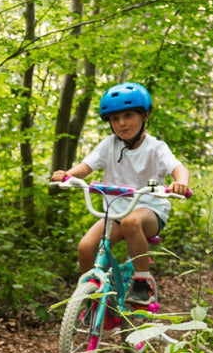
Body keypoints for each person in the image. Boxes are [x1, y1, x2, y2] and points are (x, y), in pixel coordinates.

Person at [50, 82, 190, 306]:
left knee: (131, 222)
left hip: (150, 211)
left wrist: (180, 183)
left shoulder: (156, 147)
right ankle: (96, 301)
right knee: (86, 247)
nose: (122, 123)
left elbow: (178, 168)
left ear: (144, 116)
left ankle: (143, 282)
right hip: (115, 210)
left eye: (128, 115)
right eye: (115, 119)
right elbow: (86, 167)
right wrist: (68, 175)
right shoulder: (108, 145)